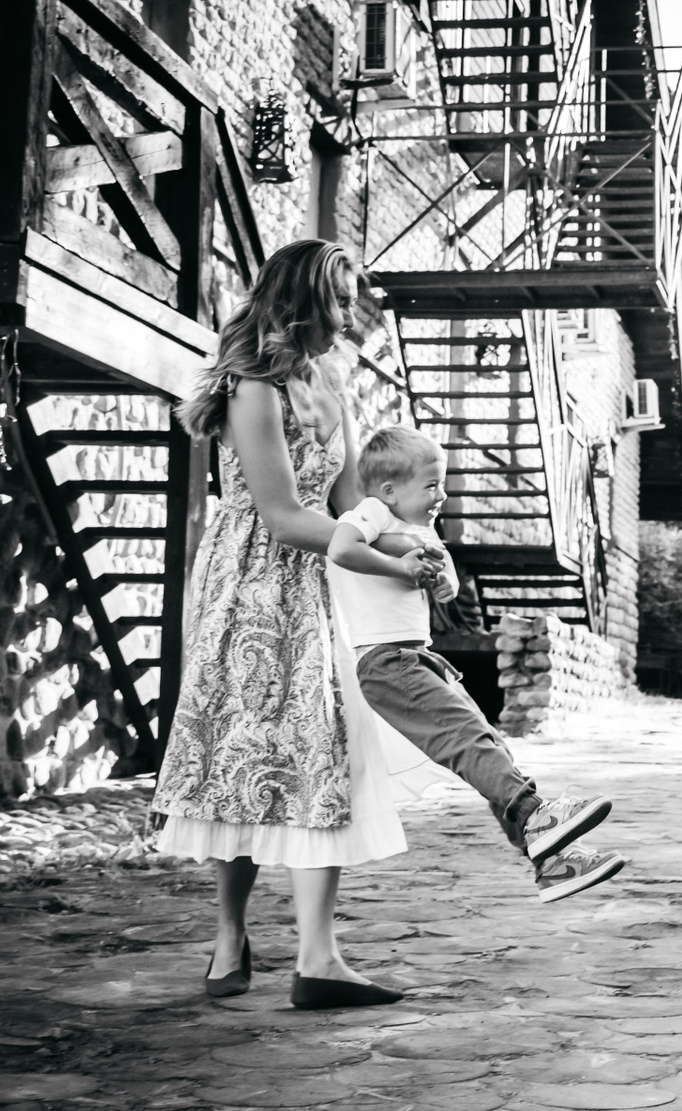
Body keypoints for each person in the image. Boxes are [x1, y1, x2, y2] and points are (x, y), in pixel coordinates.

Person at [151, 239, 414, 1011]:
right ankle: (229, 933)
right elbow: (280, 515)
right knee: (244, 753)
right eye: (341, 296)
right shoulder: (251, 387)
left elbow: (346, 506)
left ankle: (318, 959)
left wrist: (407, 541)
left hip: (318, 579)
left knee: (319, 751)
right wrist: (383, 558)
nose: (352, 311)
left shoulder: (331, 382)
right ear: (303, 299)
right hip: (250, 582)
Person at [326, 426, 625, 901]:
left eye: (442, 484)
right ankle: (535, 813)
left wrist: (445, 579)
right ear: (389, 490)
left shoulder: (417, 527)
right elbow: (341, 548)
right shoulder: (372, 513)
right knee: (467, 740)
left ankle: (552, 860)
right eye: (431, 485)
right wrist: (401, 566)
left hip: (420, 657)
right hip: (386, 661)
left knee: (488, 746)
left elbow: (442, 566)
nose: (441, 495)